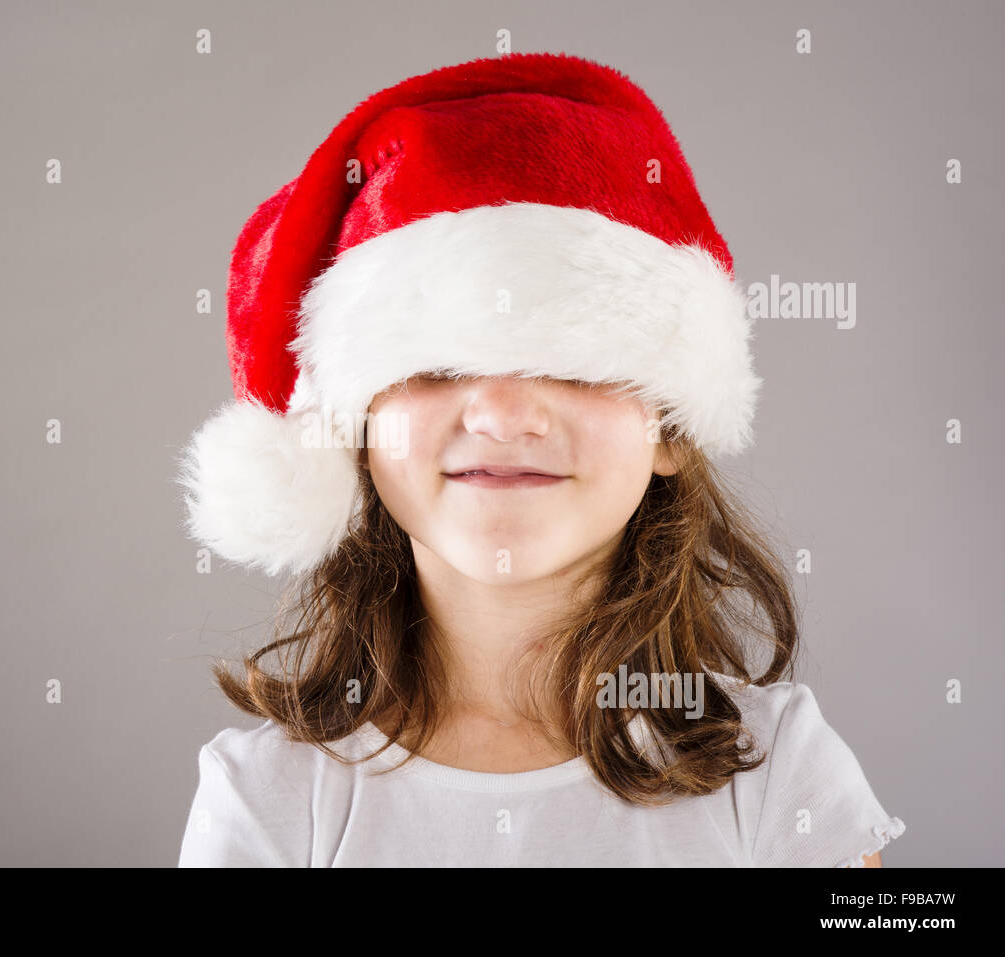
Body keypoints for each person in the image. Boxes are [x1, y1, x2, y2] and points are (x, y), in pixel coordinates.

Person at [174, 51, 905, 867]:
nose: (504, 413)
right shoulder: (270, 796)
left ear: (670, 429)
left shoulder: (775, 773)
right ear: (356, 429)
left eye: (577, 361)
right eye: (440, 364)